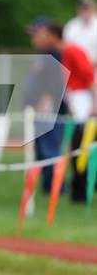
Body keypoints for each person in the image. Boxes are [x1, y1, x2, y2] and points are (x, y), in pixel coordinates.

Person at [43, 20, 94, 202]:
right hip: (77, 104)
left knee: (82, 145)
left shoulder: (72, 50)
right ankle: (80, 191)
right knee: (77, 147)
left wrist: (95, 104)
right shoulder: (64, 53)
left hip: (85, 105)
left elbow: (89, 76)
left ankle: (82, 189)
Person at [24, 17, 67, 193]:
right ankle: (48, 186)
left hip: (50, 109)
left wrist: (47, 99)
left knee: (50, 149)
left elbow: (58, 80)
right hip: (39, 109)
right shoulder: (43, 54)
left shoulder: (56, 54)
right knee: (42, 149)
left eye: (36, 34)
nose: (33, 38)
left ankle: (58, 187)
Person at [63, 0, 97, 65]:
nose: (85, 10)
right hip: (76, 70)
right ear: (78, 9)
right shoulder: (71, 26)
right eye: (83, 7)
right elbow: (66, 48)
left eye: (87, 7)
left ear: (94, 8)